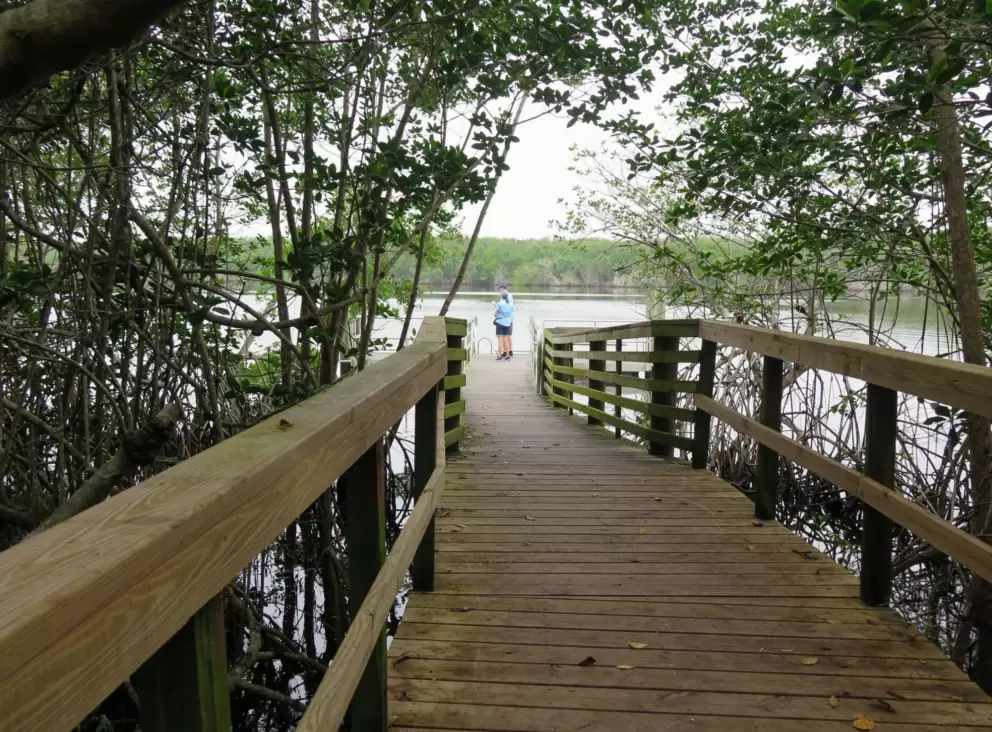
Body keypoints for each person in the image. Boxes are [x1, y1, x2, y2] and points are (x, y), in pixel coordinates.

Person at [494, 289, 514, 360]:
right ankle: (508, 355)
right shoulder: (510, 304)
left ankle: (499, 355)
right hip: (507, 323)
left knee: (500, 339)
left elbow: (495, 314)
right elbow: (511, 313)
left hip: (500, 323)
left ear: (501, 296)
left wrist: (497, 314)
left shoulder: (500, 304)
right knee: (506, 339)